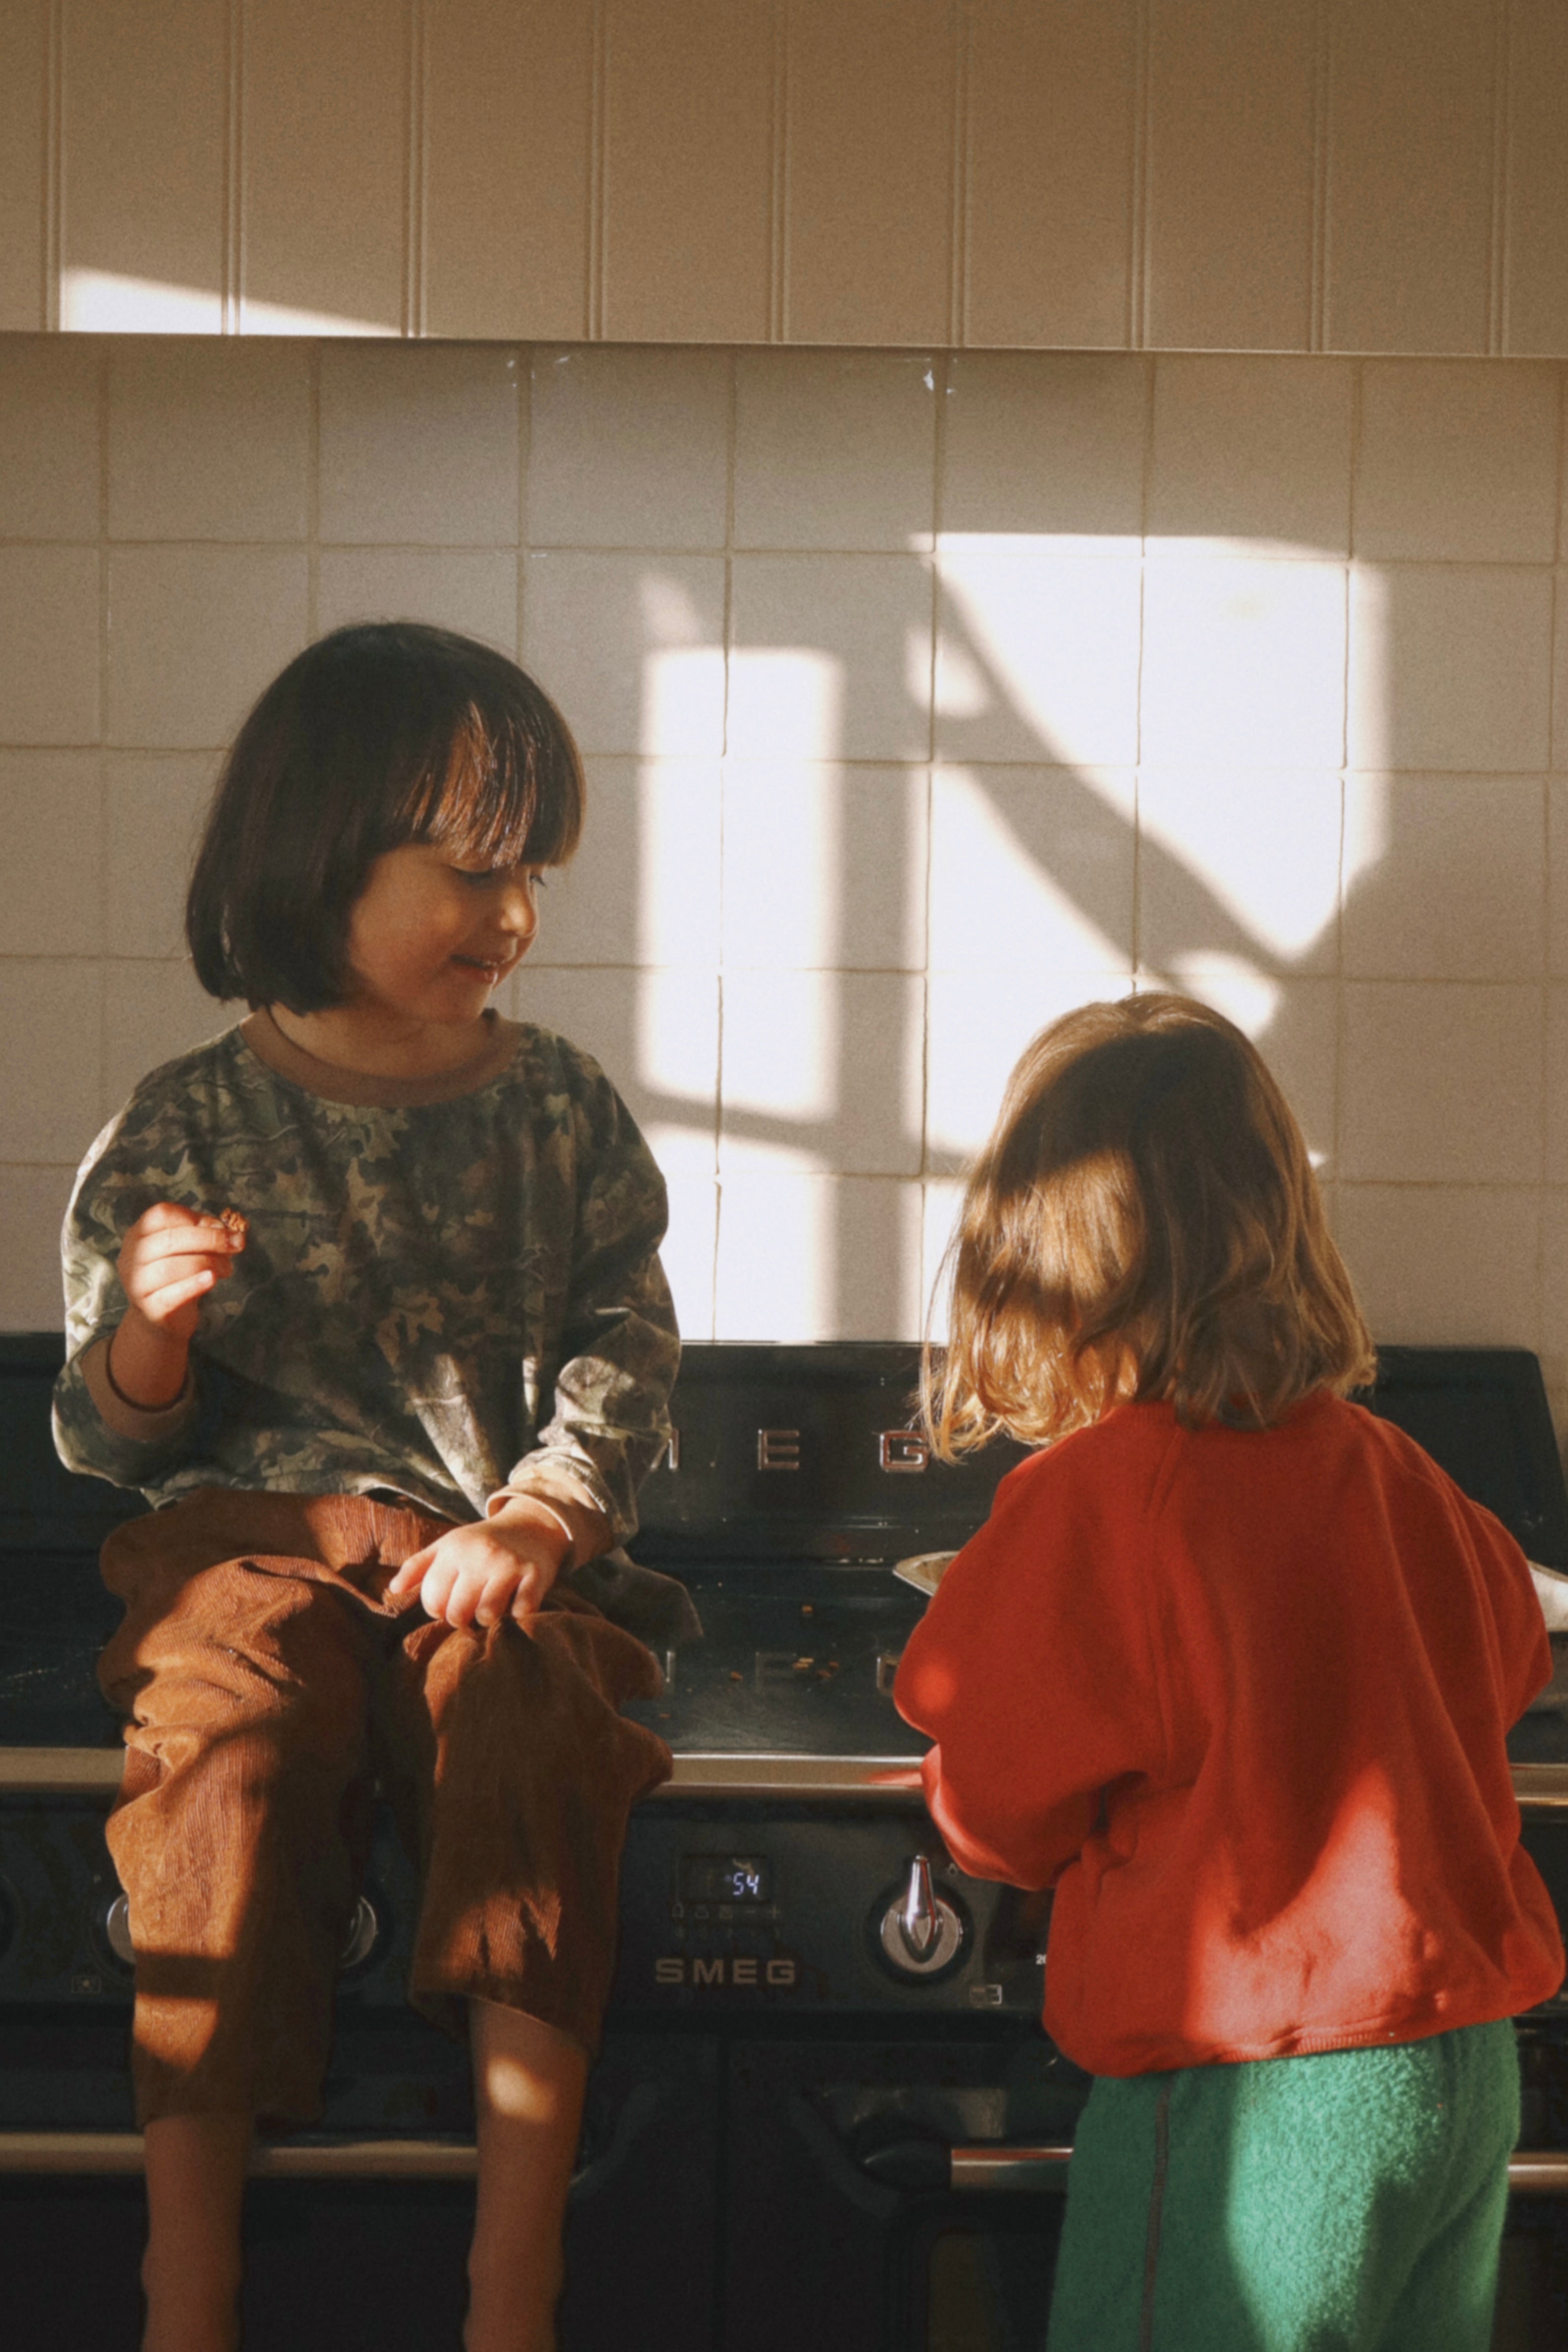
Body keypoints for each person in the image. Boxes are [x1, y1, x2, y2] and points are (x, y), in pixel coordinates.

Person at [54, 621, 691, 2352]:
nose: (514, 917)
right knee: (223, 1752)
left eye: (533, 876)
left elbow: (622, 1352)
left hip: (495, 1560)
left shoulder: (562, 1111)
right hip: (253, 1558)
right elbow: (105, 1446)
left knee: (523, 1726)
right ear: (321, 851)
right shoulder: (179, 1127)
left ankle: (513, 2281)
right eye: (473, 871)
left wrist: (542, 1519)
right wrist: (150, 1349)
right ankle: (185, 2288)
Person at [894, 992, 1565, 2352]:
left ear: (1031, 1258)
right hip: (1456, 2078)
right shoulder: (1399, 1473)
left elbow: (996, 1807)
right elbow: (1503, 1666)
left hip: (1257, 2099)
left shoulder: (1094, 1498)